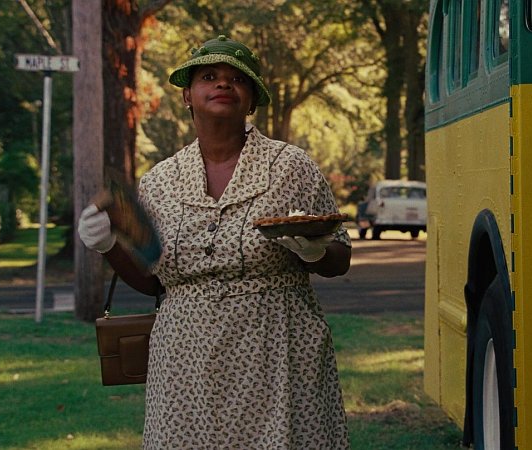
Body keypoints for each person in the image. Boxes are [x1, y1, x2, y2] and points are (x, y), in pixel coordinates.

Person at [77, 35, 352, 449]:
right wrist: (107, 245)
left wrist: (314, 253)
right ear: (187, 95)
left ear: (251, 100)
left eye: (237, 78)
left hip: (278, 352)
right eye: (209, 76)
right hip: (185, 362)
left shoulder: (291, 167)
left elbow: (340, 256)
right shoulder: (159, 183)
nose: (223, 84)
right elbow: (154, 281)